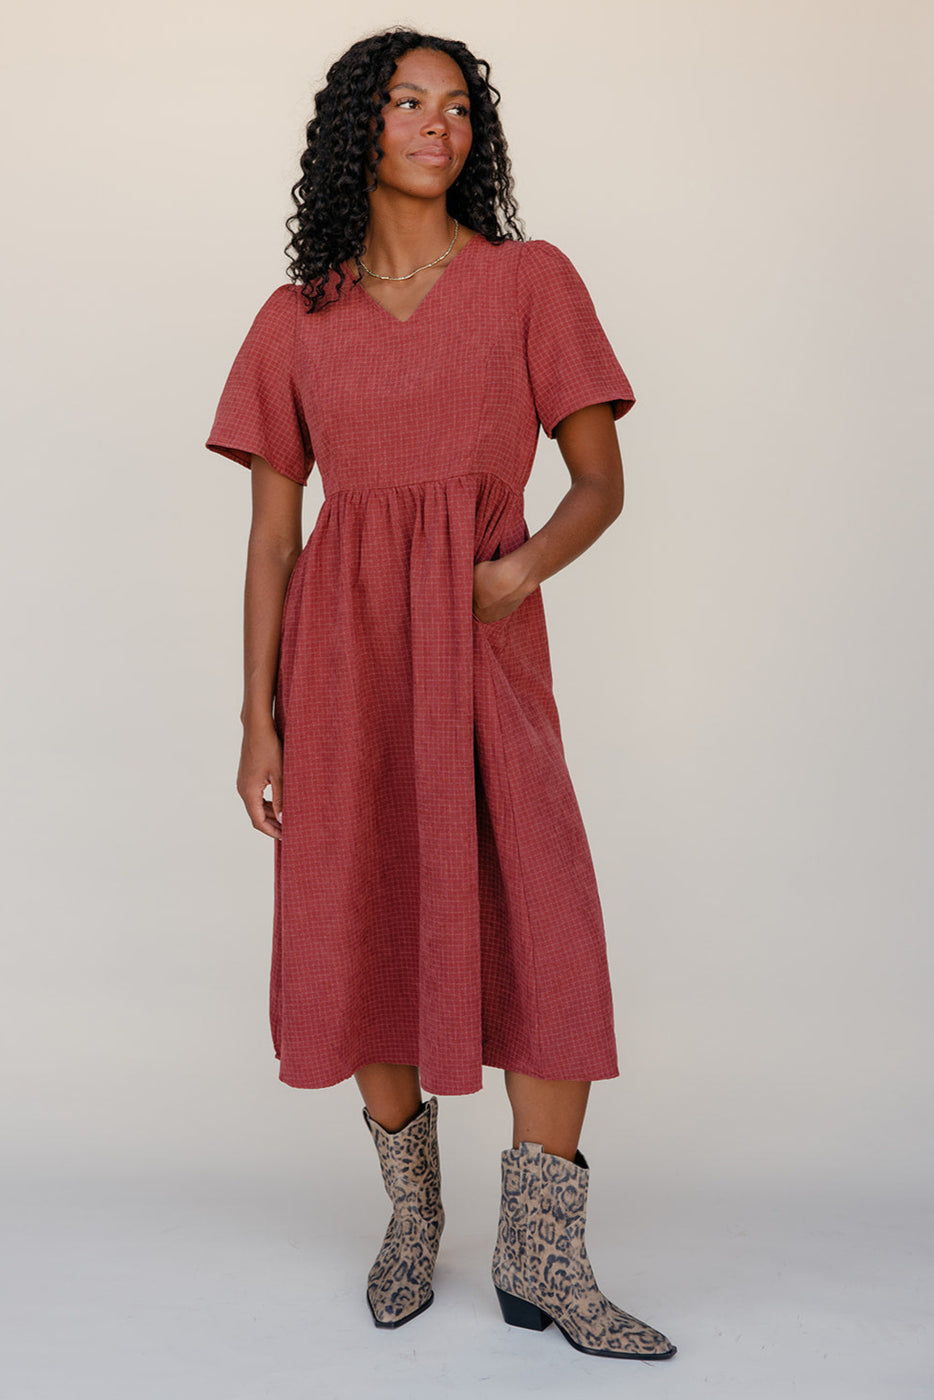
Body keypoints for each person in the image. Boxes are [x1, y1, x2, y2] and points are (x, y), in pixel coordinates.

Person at [204, 26, 676, 1362]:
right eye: (408, 101)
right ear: (357, 127)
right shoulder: (293, 318)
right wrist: (257, 716)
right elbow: (270, 532)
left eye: (458, 105)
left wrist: (515, 572)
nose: (437, 124)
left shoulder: (531, 281)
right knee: (365, 902)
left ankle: (544, 1255)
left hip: (482, 644)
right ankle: (412, 1217)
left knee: (541, 910)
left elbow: (598, 481)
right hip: (341, 655)